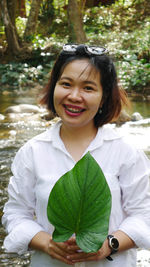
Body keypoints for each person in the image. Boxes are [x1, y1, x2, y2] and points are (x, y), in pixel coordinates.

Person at [2, 44, 150, 267]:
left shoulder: (125, 152)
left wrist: (109, 244)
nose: (74, 96)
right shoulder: (32, 151)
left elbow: (144, 215)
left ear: (104, 97)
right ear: (54, 88)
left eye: (88, 88)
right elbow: (15, 214)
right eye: (66, 84)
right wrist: (47, 243)